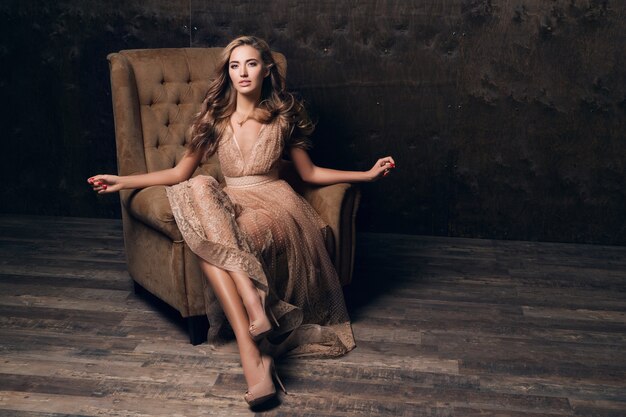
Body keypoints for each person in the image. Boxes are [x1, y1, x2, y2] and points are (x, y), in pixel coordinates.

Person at [88, 35, 395, 407]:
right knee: (199, 183)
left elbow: (309, 173)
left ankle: (254, 358)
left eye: (250, 64)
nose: (242, 72)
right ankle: (253, 307)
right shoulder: (214, 119)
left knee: (209, 243)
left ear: (266, 69)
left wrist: (366, 175)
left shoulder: (284, 116)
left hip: (275, 203)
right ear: (228, 73)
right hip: (230, 199)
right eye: (234, 65)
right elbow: (177, 172)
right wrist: (123, 180)